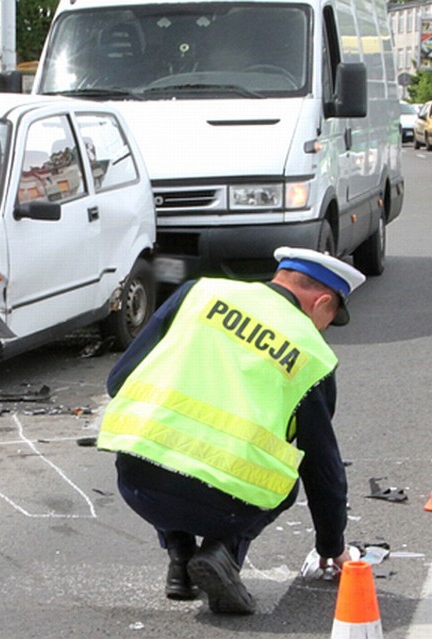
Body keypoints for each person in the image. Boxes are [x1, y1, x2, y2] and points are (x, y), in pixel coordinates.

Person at [97, 246, 365, 615]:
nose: (323, 328)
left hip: (138, 483)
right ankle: (222, 552)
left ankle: (181, 560)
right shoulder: (312, 354)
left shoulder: (198, 293)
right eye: (330, 318)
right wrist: (331, 546)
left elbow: (118, 381)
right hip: (223, 508)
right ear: (321, 303)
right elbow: (321, 467)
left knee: (169, 450)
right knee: (285, 480)